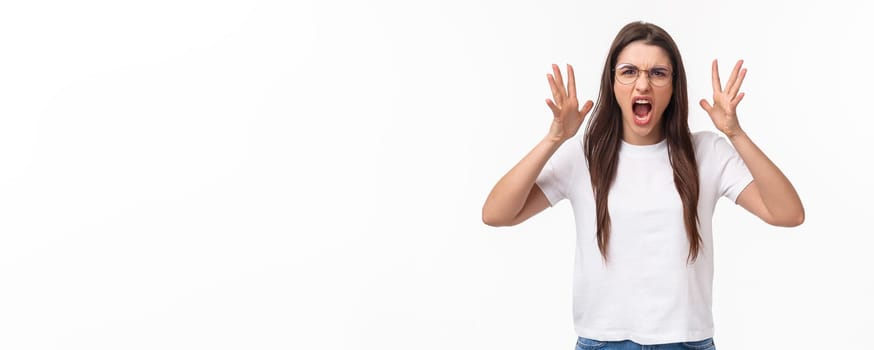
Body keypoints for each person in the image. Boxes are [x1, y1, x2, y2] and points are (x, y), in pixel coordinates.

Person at [481, 21, 804, 350]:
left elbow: (788, 213)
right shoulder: (584, 155)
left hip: (686, 342)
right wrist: (554, 139)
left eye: (658, 73)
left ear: (674, 85)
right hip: (602, 342)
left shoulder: (707, 153)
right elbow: (496, 213)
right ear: (613, 82)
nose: (643, 84)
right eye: (629, 71)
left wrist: (735, 133)